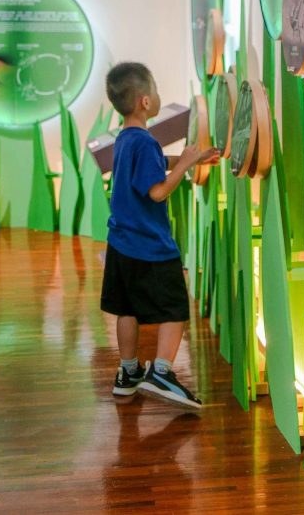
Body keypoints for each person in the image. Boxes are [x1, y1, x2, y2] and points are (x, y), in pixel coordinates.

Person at [99, 62, 218, 410]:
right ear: (145, 102)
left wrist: (188, 159)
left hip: (120, 244)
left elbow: (144, 168)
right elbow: (156, 192)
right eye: (155, 89)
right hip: (149, 246)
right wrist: (182, 166)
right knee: (174, 308)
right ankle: (163, 371)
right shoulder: (146, 142)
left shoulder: (124, 140)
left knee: (126, 309)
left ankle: (128, 372)